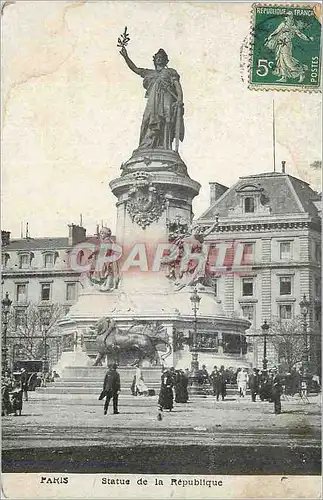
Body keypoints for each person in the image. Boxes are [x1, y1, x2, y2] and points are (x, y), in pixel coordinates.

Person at [120, 46, 184, 150]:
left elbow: (177, 86)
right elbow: (136, 69)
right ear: (154, 60)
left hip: (167, 96)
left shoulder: (171, 72)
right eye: (157, 57)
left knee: (167, 120)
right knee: (147, 119)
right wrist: (126, 57)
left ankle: (165, 146)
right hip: (152, 100)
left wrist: (180, 99)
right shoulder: (149, 73)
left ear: (165, 60)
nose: (159, 59)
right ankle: (146, 145)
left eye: (161, 57)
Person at [264, 12, 314, 83]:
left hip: (287, 44)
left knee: (288, 61)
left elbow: (300, 35)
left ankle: (301, 72)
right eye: (285, 16)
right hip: (279, 44)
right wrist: (269, 38)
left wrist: (308, 38)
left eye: (288, 16)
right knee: (281, 61)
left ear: (291, 17)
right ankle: (284, 77)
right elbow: (276, 32)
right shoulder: (283, 24)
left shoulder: (293, 26)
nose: (286, 17)